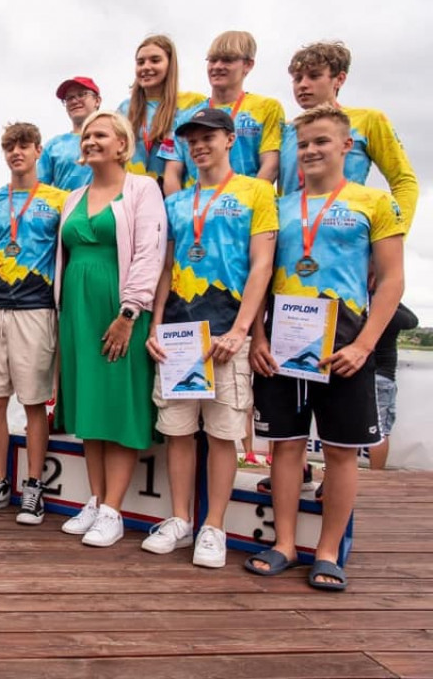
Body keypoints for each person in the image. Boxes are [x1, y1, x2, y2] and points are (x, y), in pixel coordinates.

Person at [246, 105, 406, 591]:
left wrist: (364, 346)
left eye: (321, 141)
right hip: (283, 344)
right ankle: (284, 544)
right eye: (303, 144)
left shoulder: (374, 202)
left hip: (345, 345)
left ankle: (329, 552)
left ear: (346, 146)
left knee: (340, 452)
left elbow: (393, 280)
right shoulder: (277, 205)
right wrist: (258, 337)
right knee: (285, 447)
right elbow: (259, 275)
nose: (311, 150)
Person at [143, 108, 277, 567]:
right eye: (192, 140)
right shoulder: (176, 201)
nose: (199, 146)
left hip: (226, 333)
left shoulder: (257, 191)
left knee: (222, 435)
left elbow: (262, 265)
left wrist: (241, 330)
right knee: (178, 433)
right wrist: (156, 325)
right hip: (179, 333)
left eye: (208, 137)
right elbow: (166, 266)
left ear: (230, 139)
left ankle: (213, 527)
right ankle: (181, 520)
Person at [54, 110, 167, 547]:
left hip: (118, 310)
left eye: (100, 134)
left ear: (122, 144)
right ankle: (96, 499)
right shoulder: (74, 197)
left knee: (118, 405)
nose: (90, 141)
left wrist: (129, 313)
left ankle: (114, 510)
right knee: (90, 406)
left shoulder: (143, 188)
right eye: (86, 135)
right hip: (77, 312)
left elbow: (150, 252)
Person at [0, 122, 67, 525]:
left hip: (36, 308)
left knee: (33, 402)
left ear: (38, 150)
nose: (16, 152)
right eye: (10, 146)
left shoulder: (60, 200)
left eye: (24, 145)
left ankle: (34, 487)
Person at [277, 41, 419, 229]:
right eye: (297, 78)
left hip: (346, 231)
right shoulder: (283, 131)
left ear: (339, 79)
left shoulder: (367, 121)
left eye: (314, 76)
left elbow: (403, 182)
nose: (303, 85)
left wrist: (392, 233)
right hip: (290, 234)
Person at [162, 31, 284, 195]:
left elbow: (270, 164)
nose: (217, 66)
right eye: (212, 60)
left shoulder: (267, 108)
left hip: (244, 203)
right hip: (196, 206)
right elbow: (172, 173)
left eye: (227, 60)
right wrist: (178, 207)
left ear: (248, 64)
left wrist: (249, 202)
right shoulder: (186, 117)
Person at [118, 35, 206, 187]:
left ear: (170, 65)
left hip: (179, 192)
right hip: (133, 193)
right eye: (140, 62)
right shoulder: (124, 109)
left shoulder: (193, 103)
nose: (146, 67)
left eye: (155, 60)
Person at [368, 303, 419, 469]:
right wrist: (391, 296)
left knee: (347, 429)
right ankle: (376, 476)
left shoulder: (356, 307)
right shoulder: (388, 311)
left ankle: (339, 476)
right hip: (383, 375)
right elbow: (412, 320)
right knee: (380, 431)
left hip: (355, 375)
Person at [38, 76, 102, 190]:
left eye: (81, 95)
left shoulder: (115, 139)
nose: (74, 101)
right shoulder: (53, 146)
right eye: (69, 98)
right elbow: (39, 190)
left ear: (97, 101)